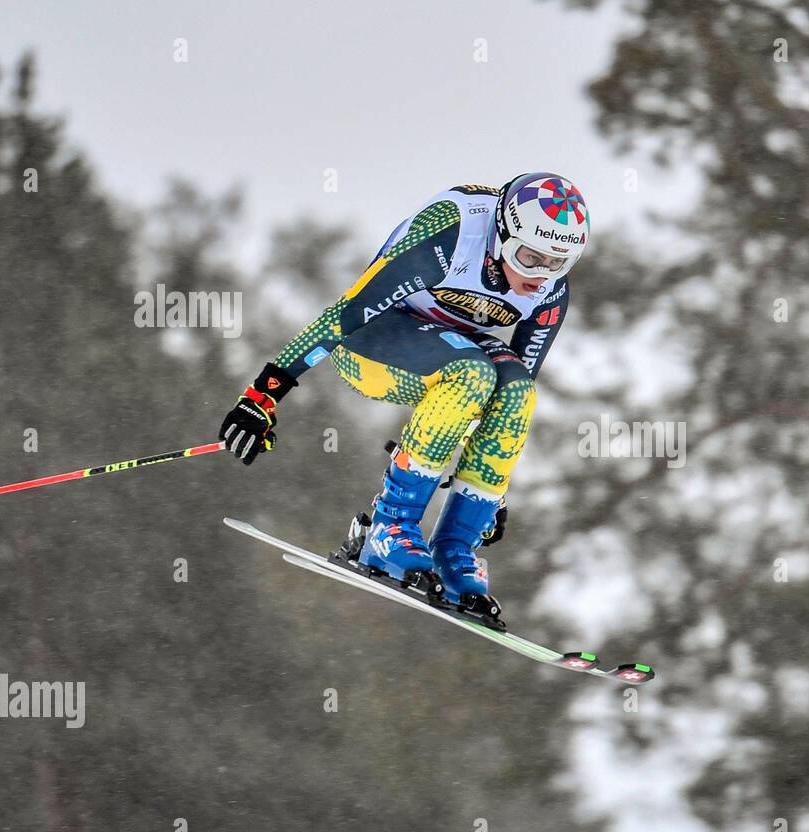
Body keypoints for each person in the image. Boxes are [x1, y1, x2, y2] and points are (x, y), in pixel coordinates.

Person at [219, 173, 588, 622]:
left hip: (447, 348)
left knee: (515, 391)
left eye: (559, 262)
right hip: (371, 342)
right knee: (471, 373)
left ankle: (455, 547)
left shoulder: (551, 290)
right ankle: (388, 527)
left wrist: (490, 492)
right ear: (503, 234)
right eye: (530, 258)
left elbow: (508, 397)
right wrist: (261, 397)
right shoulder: (451, 234)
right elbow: (344, 316)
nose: (540, 276)